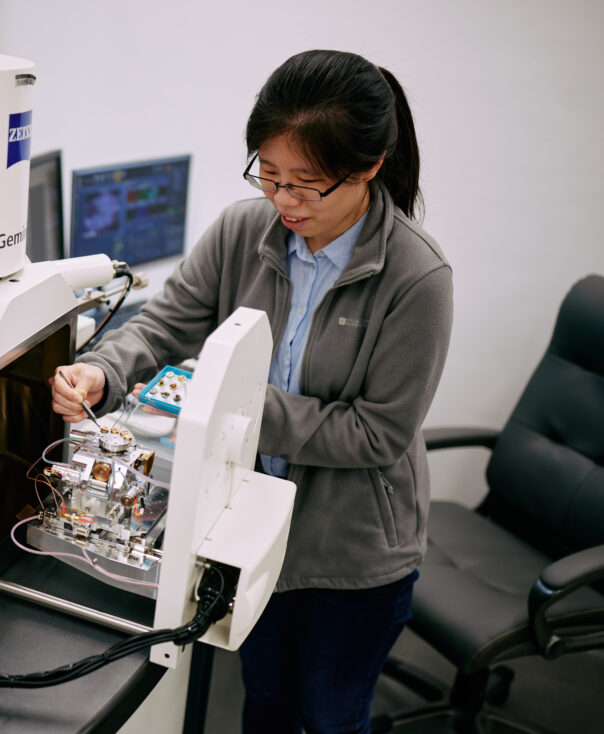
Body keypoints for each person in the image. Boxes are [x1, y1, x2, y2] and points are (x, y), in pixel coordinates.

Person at [50, 49, 453, 734]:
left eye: (308, 185)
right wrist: (105, 370)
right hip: (245, 527)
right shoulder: (246, 229)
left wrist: (227, 406)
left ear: (368, 169)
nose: (283, 201)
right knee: (263, 700)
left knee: (330, 716)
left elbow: (376, 433)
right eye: (269, 175)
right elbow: (165, 322)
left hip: (350, 555)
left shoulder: (417, 277)